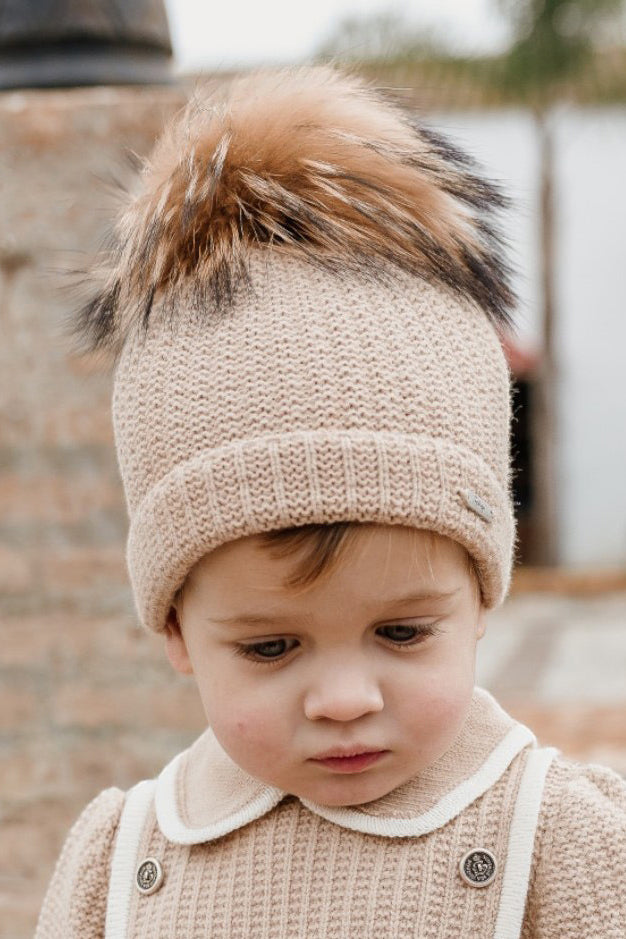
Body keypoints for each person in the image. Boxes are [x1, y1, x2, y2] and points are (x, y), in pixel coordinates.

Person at [35, 63, 625, 939]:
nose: (344, 698)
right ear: (175, 631)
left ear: (481, 596)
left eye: (403, 632)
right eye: (272, 645)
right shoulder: (120, 863)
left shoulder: (558, 841)